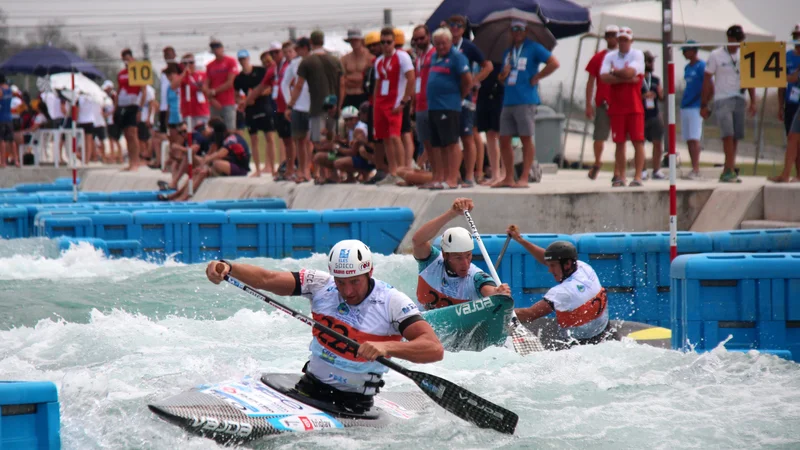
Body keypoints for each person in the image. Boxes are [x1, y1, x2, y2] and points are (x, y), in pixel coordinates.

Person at [205, 239, 444, 412]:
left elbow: (434, 348)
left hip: (353, 405)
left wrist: (388, 348)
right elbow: (266, 279)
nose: (347, 291)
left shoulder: (393, 302)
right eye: (341, 282)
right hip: (309, 389)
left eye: (355, 282)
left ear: (369, 272)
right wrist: (228, 267)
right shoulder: (320, 284)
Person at [506, 227, 611, 349]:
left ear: (567, 264)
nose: (549, 270)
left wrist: (498, 314)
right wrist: (521, 240)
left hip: (580, 347)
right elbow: (548, 259)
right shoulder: (584, 267)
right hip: (605, 333)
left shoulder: (563, 292)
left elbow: (529, 315)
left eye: (553, 266)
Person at [411, 198, 510, 310]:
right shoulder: (431, 262)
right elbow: (417, 241)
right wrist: (452, 213)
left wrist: (497, 292)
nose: (465, 263)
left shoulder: (476, 277)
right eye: (458, 258)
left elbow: (489, 290)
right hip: (420, 324)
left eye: (468, 256)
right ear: (445, 255)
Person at [494, 20, 560, 188]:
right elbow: (502, 80)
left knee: (525, 138)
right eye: (514, 29)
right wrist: (503, 74)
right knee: (504, 139)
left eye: (520, 29)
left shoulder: (534, 47)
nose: (517, 32)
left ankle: (524, 176)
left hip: (526, 100)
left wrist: (538, 77)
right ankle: (508, 176)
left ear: (526, 31)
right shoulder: (508, 52)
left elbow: (554, 63)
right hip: (508, 100)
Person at [701, 25, 757, 183]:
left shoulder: (745, 54)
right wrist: (704, 103)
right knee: (728, 134)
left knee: (736, 136)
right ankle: (730, 169)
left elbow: (749, 78)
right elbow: (707, 79)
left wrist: (753, 100)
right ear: (729, 39)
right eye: (737, 40)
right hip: (722, 98)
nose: (739, 43)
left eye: (741, 40)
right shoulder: (716, 55)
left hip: (740, 98)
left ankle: (728, 168)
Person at [447, 15, 494, 188]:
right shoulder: (444, 46)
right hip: (449, 97)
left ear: (464, 28)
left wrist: (474, 80)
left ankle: (472, 174)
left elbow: (487, 66)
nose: (455, 28)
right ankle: (455, 175)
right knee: (452, 139)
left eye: (459, 25)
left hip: (466, 98)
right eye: (452, 25)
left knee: (469, 135)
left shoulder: (468, 46)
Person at [160, 118, 250, 201]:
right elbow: (209, 156)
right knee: (198, 171)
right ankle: (176, 194)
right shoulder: (216, 140)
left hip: (239, 168)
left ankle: (183, 197)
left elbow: (219, 154)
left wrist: (204, 164)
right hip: (225, 166)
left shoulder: (231, 138)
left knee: (212, 165)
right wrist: (202, 165)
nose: (205, 131)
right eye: (180, 133)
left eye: (184, 131)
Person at [599, 26, 646, 187]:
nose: (623, 43)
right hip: (617, 106)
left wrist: (615, 73)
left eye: (626, 40)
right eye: (620, 39)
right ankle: (621, 176)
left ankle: (638, 176)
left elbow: (631, 72)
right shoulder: (610, 56)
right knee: (619, 142)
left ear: (631, 41)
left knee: (637, 141)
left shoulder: (637, 54)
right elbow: (604, 77)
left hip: (634, 106)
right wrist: (624, 76)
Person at [427, 27, 472, 189]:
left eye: (443, 43)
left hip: (449, 106)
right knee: (437, 144)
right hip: (434, 106)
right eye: (437, 44)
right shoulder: (434, 57)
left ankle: (452, 178)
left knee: (451, 143)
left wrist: (459, 96)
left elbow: (467, 80)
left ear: (450, 42)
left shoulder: (457, 57)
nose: (440, 47)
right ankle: (440, 177)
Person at [372, 26, 415, 186]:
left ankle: (403, 170)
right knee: (385, 138)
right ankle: (393, 170)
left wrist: (404, 101)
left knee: (395, 136)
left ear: (394, 42)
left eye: (388, 42)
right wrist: (375, 105)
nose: (385, 45)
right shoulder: (379, 61)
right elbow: (377, 84)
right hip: (381, 103)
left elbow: (411, 78)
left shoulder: (402, 57)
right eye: (382, 42)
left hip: (395, 102)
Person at [295, 30, 343, 150]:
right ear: (323, 41)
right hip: (333, 106)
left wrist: (291, 104)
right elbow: (342, 85)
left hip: (316, 109)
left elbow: (299, 85)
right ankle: (331, 166)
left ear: (311, 42)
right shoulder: (335, 60)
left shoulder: (306, 61)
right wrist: (340, 105)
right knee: (332, 139)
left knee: (317, 141)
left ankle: (321, 168)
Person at [584, 25, 619, 180]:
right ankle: (598, 162)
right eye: (609, 35)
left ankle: (618, 171)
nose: (611, 38)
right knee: (599, 137)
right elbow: (590, 81)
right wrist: (588, 103)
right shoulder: (598, 57)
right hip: (603, 102)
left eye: (614, 35)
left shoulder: (625, 57)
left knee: (620, 139)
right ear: (605, 38)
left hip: (619, 103)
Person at [411, 25, 441, 189]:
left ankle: (441, 175)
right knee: (427, 142)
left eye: (421, 38)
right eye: (416, 40)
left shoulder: (434, 53)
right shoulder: (419, 57)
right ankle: (435, 175)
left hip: (432, 104)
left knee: (436, 143)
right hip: (420, 104)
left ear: (428, 36)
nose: (419, 42)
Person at [234, 49, 270, 177]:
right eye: (241, 59)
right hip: (250, 109)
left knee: (269, 136)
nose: (243, 61)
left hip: (263, 106)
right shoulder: (238, 78)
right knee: (253, 139)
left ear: (248, 58)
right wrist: (242, 102)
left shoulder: (260, 71)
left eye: (244, 59)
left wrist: (254, 96)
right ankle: (258, 169)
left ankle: (270, 166)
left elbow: (268, 88)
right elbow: (236, 95)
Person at [773, 24, 800, 183]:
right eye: (796, 35)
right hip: (791, 102)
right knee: (792, 138)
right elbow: (782, 82)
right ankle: (789, 174)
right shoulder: (787, 56)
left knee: (794, 138)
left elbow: (792, 78)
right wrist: (780, 106)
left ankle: (790, 174)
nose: (797, 38)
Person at [283, 38, 312, 183]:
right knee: (300, 140)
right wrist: (290, 103)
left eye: (298, 48)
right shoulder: (294, 64)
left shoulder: (314, 61)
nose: (296, 52)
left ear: (305, 48)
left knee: (312, 140)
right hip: (298, 106)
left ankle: (310, 169)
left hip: (313, 106)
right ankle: (301, 169)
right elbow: (284, 83)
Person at [680, 40, 706, 180]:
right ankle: (693, 167)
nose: (684, 53)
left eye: (686, 50)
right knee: (689, 138)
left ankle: (696, 169)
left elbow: (708, 85)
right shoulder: (686, 68)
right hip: (686, 105)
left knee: (695, 138)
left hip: (696, 106)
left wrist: (704, 104)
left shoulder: (701, 66)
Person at [117, 48, 144, 170]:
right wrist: (116, 106)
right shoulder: (121, 73)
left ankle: (136, 161)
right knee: (127, 134)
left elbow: (143, 90)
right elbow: (119, 90)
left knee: (133, 134)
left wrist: (140, 108)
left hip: (133, 104)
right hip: (123, 105)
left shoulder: (137, 71)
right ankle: (130, 161)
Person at [204, 39, 239, 131]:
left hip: (228, 102)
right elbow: (205, 85)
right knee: (215, 129)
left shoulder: (230, 61)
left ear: (222, 48)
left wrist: (214, 91)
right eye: (213, 48)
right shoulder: (210, 66)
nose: (216, 50)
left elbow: (230, 82)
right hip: (215, 103)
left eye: (218, 47)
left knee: (229, 129)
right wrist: (211, 98)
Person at [641, 51, 665, 180]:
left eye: (652, 61)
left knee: (657, 143)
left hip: (654, 114)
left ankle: (656, 170)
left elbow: (662, 96)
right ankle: (643, 170)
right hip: (641, 115)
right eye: (649, 61)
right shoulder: (637, 79)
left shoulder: (655, 80)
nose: (652, 64)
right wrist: (643, 96)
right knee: (640, 143)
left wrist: (660, 94)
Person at [340, 29, 374, 111]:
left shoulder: (369, 57)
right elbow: (342, 80)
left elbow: (369, 78)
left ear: (361, 40)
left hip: (363, 95)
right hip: (349, 95)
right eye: (351, 40)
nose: (354, 42)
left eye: (356, 40)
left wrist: (351, 79)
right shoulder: (345, 59)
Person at [175, 53, 211, 128]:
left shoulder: (202, 75)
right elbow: (173, 86)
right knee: (189, 135)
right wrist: (184, 73)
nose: (189, 65)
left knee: (202, 134)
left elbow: (209, 91)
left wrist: (203, 88)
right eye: (185, 63)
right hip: (187, 112)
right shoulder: (182, 77)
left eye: (191, 62)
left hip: (202, 111)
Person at [0, 75, 13, 167]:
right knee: (11, 140)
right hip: (9, 117)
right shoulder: (9, 89)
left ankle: (3, 162)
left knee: (2, 140)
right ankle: (16, 160)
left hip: (1, 117)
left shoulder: (0, 90)